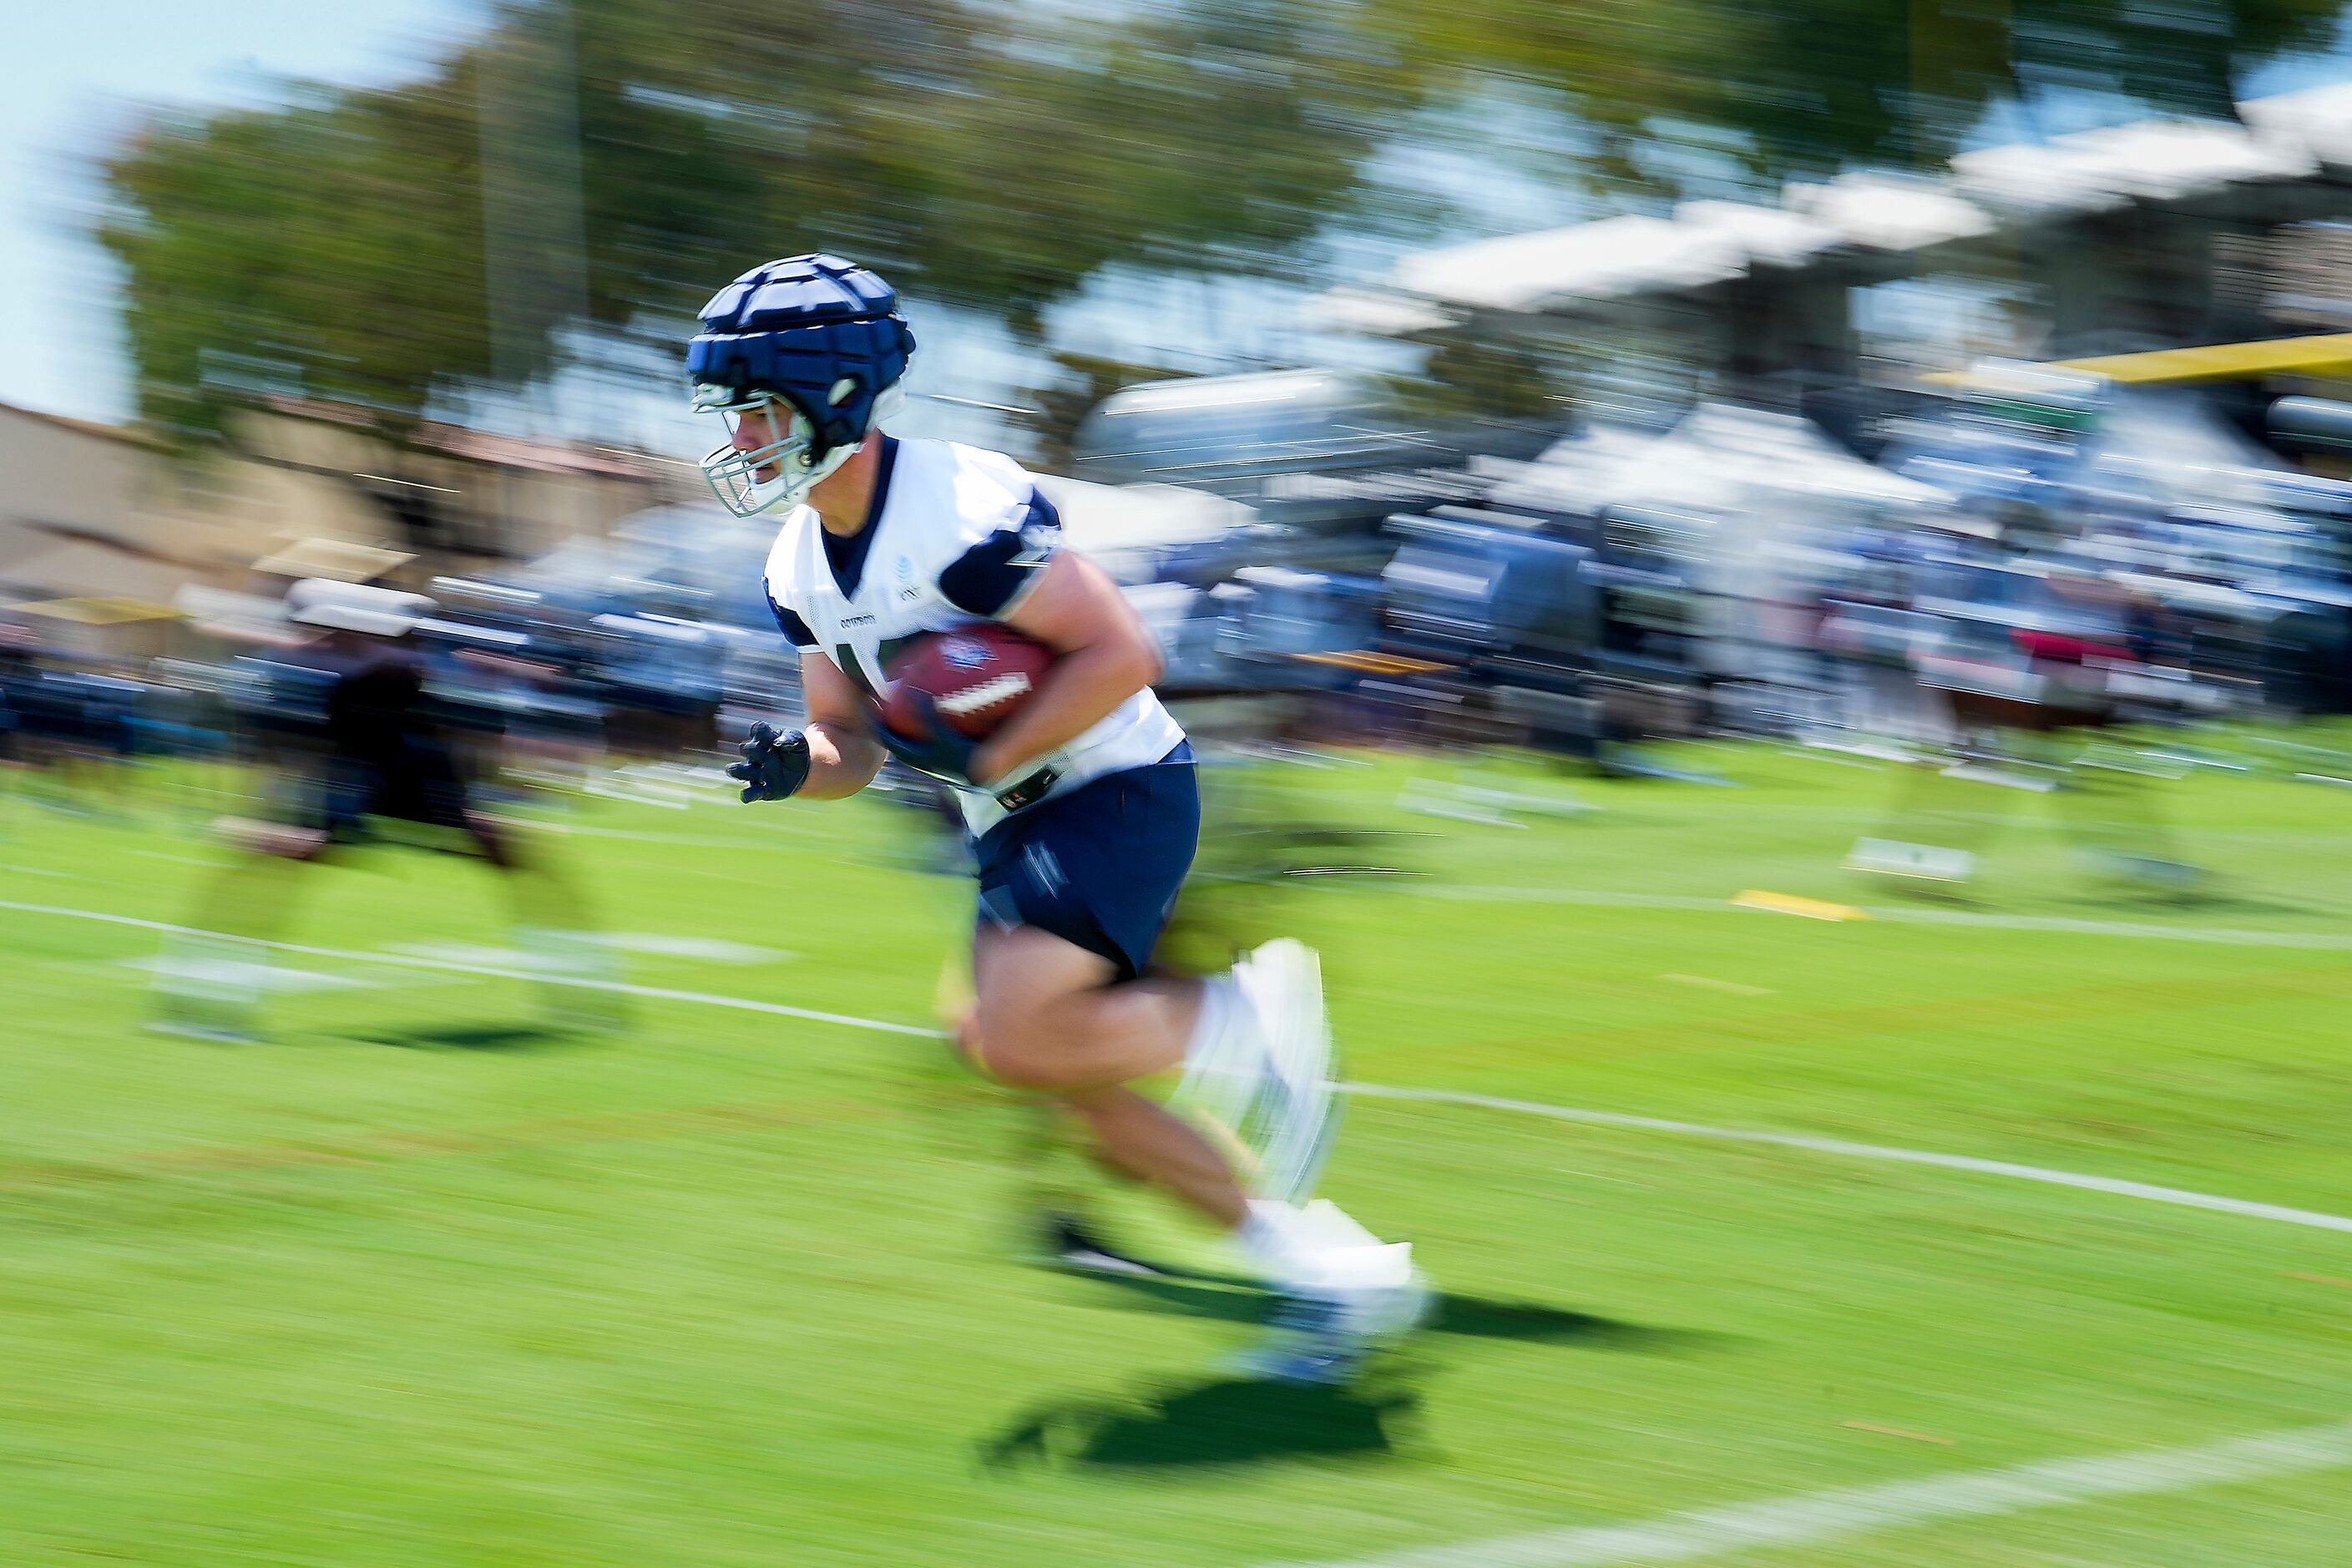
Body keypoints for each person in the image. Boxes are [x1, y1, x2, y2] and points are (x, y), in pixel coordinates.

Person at [695, 254, 1425, 1383]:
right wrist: (801, 764)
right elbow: (856, 735)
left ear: (827, 392)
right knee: (1031, 1063)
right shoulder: (797, 561)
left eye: (753, 410)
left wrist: (984, 746)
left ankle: (1241, 1013)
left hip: (1112, 788)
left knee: (1028, 1035)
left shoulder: (951, 510)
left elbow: (1121, 651)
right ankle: (1333, 1274)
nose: (738, 439)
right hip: (1013, 816)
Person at [152, 579, 614, 1042]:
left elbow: (330, 734)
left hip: (408, 783)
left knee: (264, 871)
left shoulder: (377, 668)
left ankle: (200, 1006)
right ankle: (200, 1006)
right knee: (265, 870)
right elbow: (325, 736)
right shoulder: (365, 671)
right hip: (384, 783)